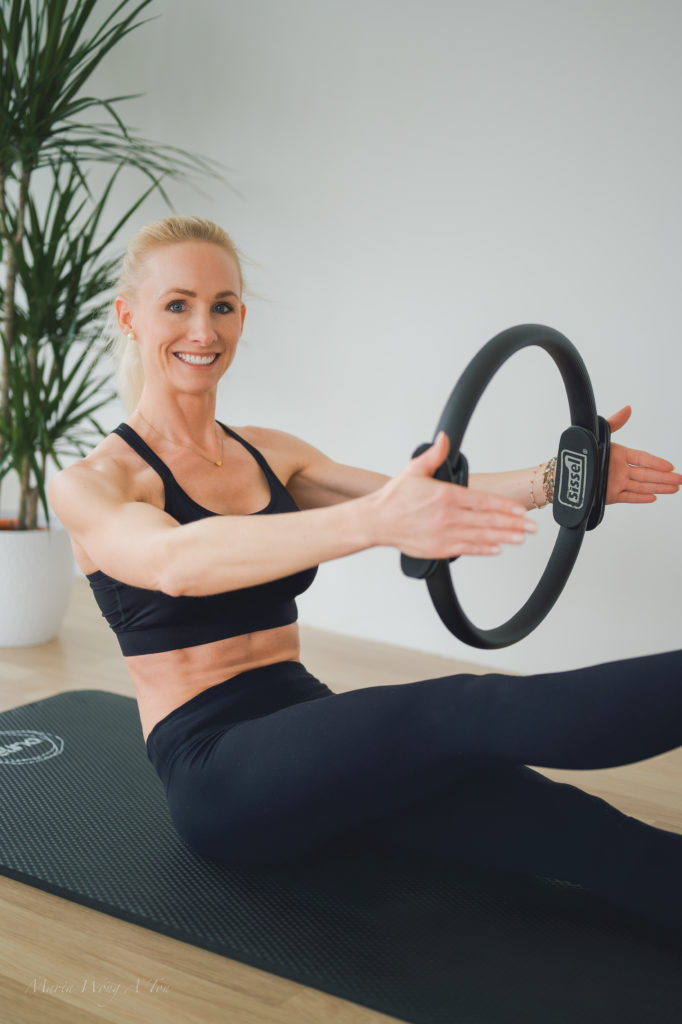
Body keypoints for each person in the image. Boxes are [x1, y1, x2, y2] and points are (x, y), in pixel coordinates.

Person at [49, 216, 682, 933]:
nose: (203, 330)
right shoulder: (95, 483)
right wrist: (375, 523)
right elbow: (176, 565)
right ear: (129, 316)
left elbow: (412, 501)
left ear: (241, 317)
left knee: (556, 818)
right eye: (178, 304)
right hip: (217, 771)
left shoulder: (269, 451)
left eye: (222, 306)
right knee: (466, 711)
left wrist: (563, 476)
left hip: (307, 722)